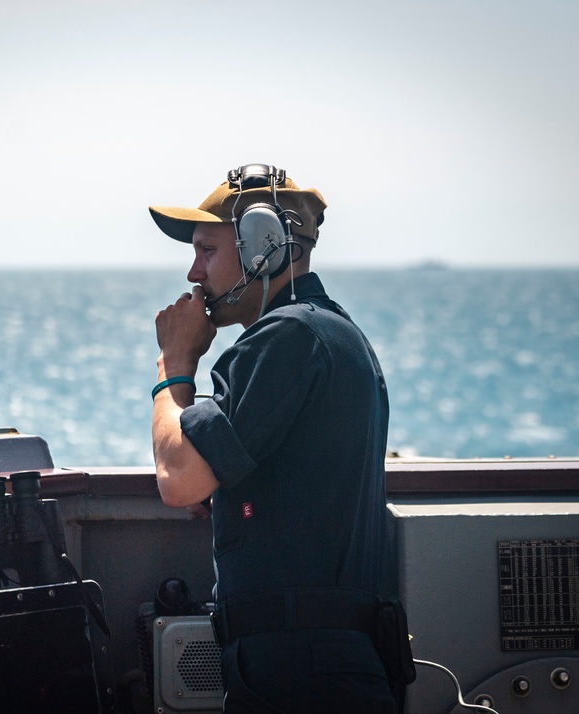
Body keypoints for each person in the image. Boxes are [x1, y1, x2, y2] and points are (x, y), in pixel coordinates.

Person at [149, 164, 397, 713]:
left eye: (207, 250)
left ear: (263, 248)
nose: (193, 273)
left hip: (299, 668)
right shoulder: (327, 331)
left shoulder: (287, 337)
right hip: (318, 663)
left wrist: (175, 366)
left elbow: (179, 479)